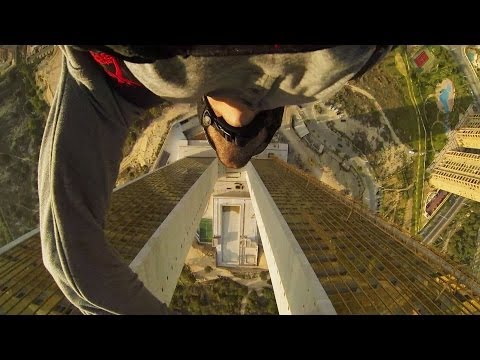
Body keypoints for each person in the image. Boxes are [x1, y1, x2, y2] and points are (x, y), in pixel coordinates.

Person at [38, 45, 391, 314]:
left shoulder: (344, 62)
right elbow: (71, 260)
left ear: (274, 119)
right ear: (203, 112)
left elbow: (72, 260)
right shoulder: (132, 81)